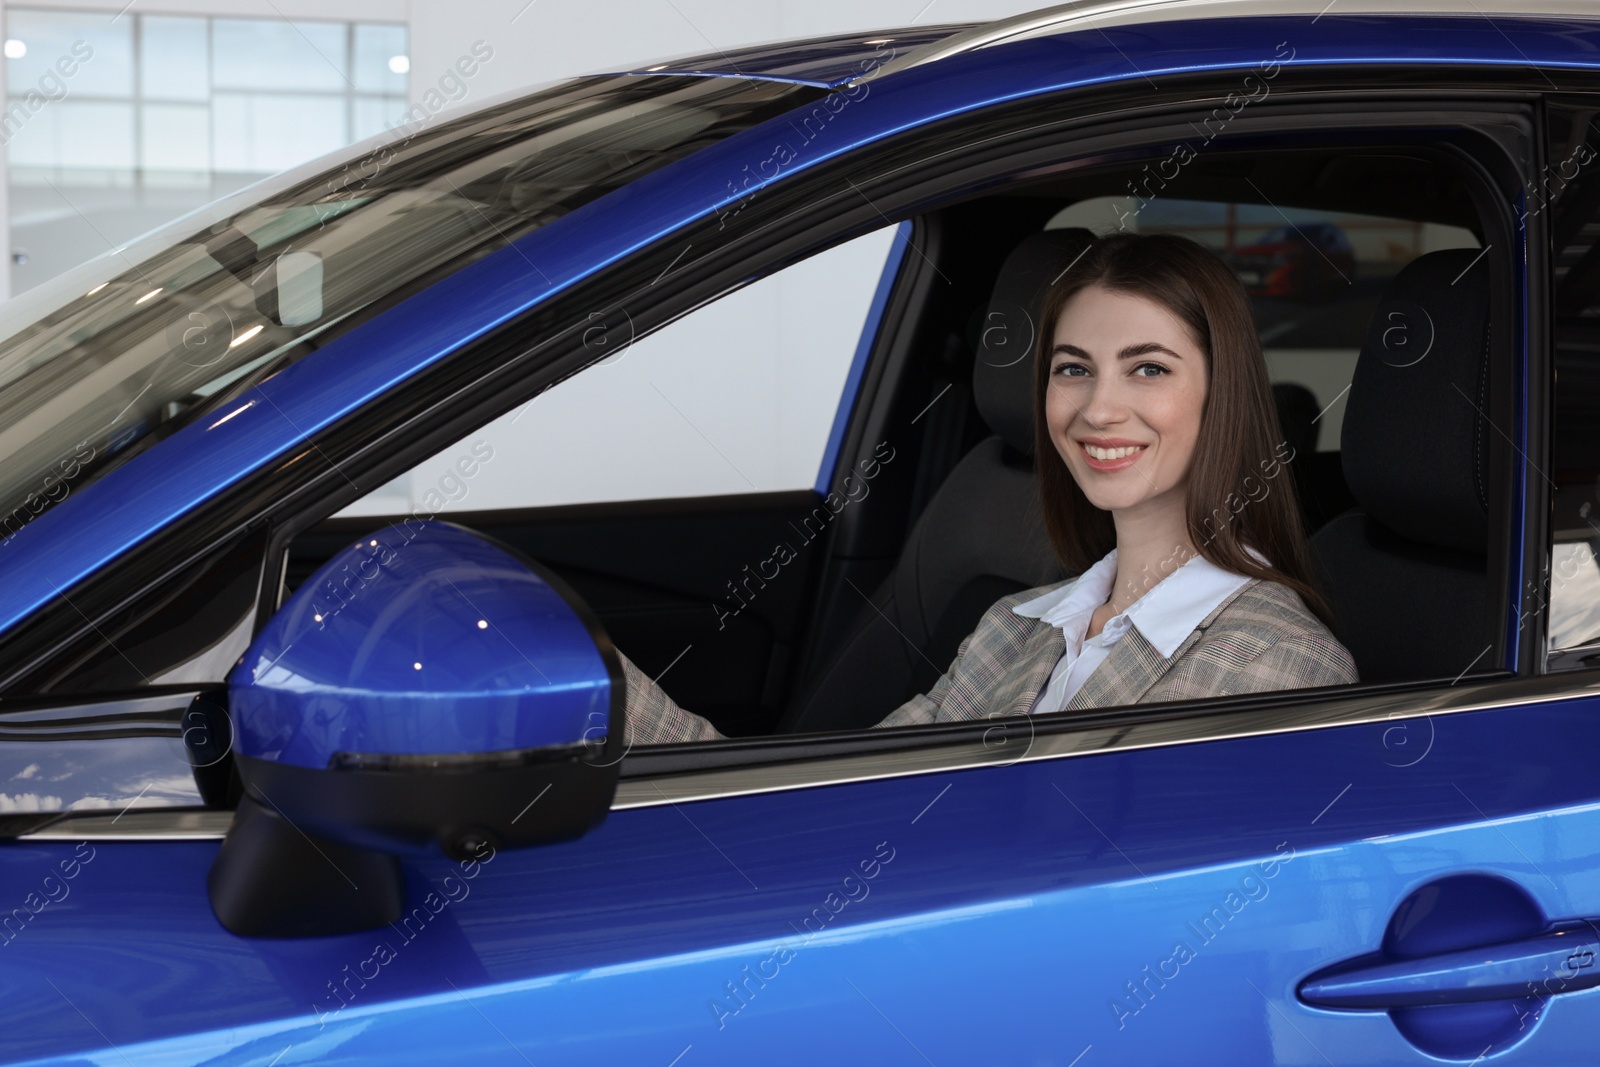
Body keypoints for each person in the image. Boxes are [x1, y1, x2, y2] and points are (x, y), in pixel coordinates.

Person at [618, 231, 1357, 745]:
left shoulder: (1275, 665)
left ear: (1221, 393)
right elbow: (857, 797)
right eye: (1072, 368)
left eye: (1149, 368)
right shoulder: (1019, 623)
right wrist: (599, 693)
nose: (1097, 407)